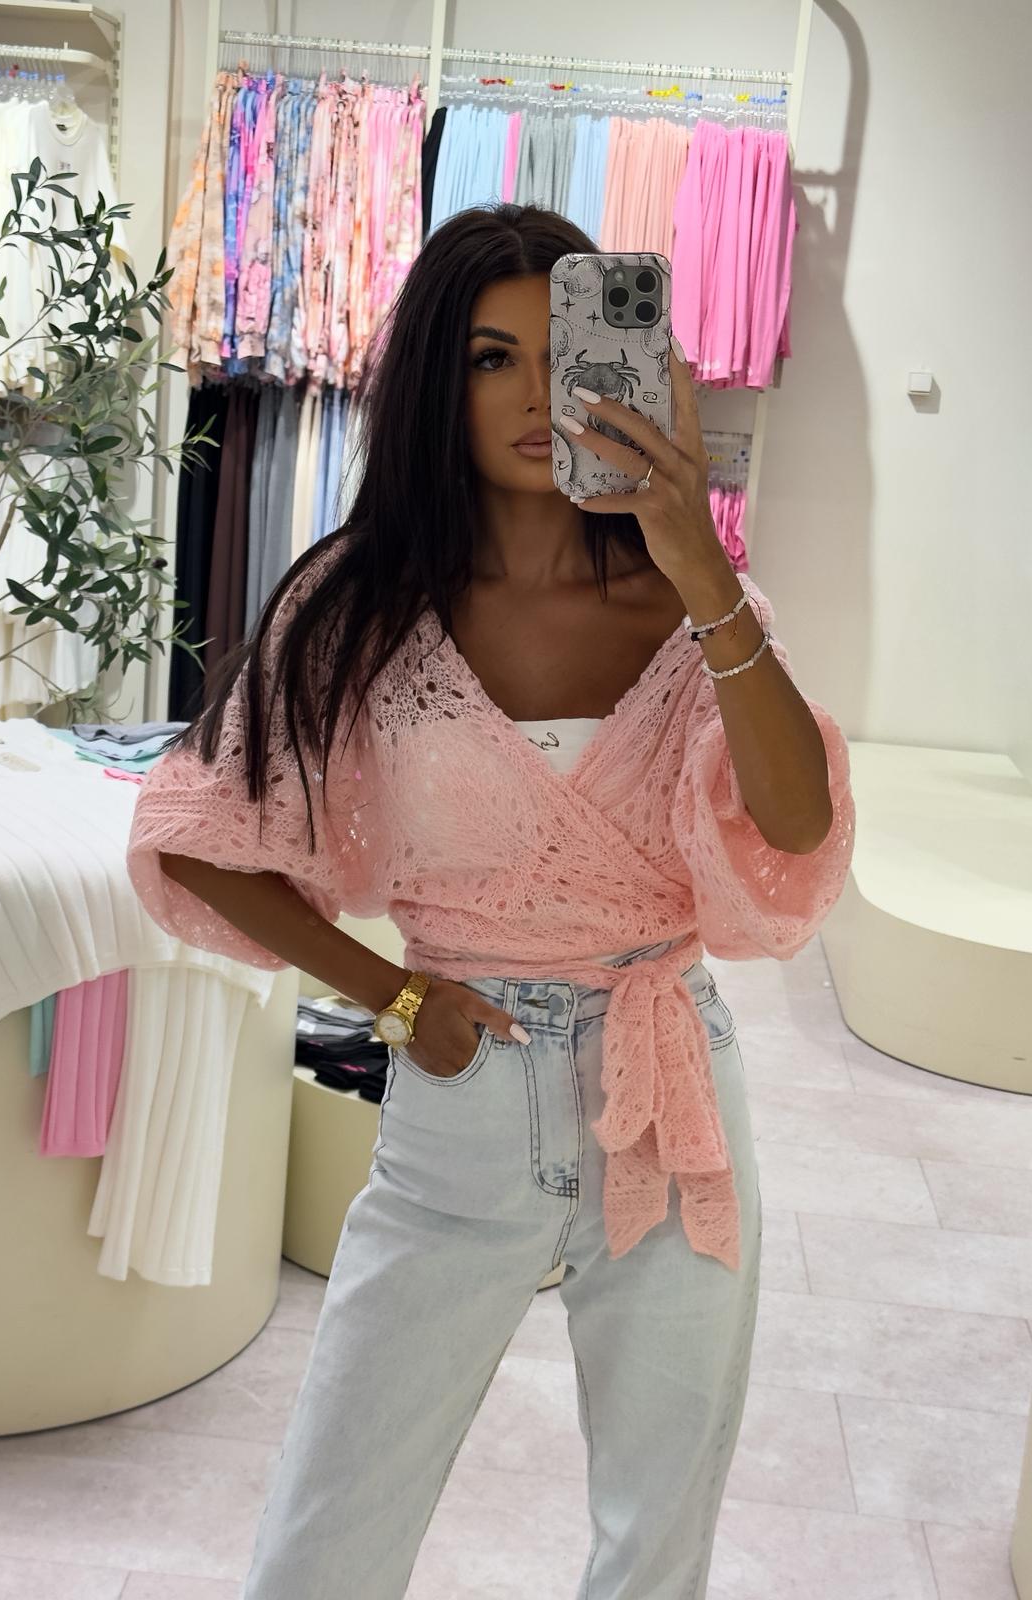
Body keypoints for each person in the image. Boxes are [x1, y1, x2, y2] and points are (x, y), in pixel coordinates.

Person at [127, 203, 854, 1599]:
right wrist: (392, 995)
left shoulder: (696, 607)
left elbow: (797, 829)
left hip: (671, 1095)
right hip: (462, 1098)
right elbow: (196, 839)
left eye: (560, 354)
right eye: (489, 358)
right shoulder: (357, 603)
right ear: (434, 386)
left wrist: (701, 564)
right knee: (327, 1539)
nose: (534, 396)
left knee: (657, 1543)